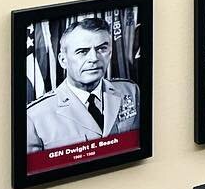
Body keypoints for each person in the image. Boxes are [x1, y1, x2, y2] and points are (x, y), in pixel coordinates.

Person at [26, 16, 140, 151]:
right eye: (82, 51)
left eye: (101, 49)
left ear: (110, 53)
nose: (94, 58)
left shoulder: (130, 91)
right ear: (63, 60)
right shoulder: (35, 116)